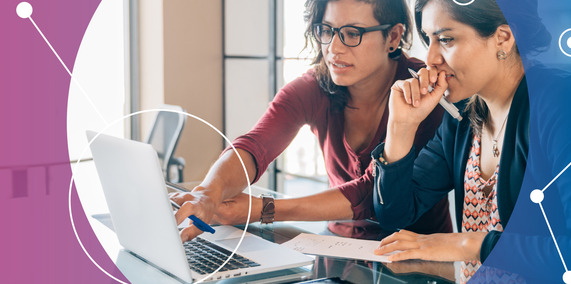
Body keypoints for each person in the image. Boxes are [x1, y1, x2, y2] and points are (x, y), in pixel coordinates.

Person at [171, 0, 452, 243]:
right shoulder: (315, 86)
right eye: (327, 31)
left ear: (393, 36)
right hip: (337, 247)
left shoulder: (424, 91)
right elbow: (255, 145)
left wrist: (263, 209)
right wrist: (208, 193)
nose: (334, 48)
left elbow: (370, 195)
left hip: (417, 261)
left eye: (352, 33)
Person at [371, 0, 571, 282]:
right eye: (428, 39)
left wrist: (468, 244)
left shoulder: (560, 107)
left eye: (446, 39)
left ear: (503, 38)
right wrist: (400, 128)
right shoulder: (463, 116)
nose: (431, 58)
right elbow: (395, 214)